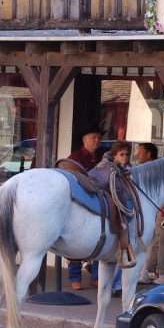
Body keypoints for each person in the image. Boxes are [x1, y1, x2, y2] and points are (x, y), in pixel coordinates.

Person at [66, 122, 103, 290]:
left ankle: (96, 276)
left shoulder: (102, 158)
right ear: (85, 140)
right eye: (94, 138)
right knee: (75, 240)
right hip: (80, 202)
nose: (97, 141)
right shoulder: (74, 159)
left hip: (97, 202)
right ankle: (75, 277)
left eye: (99, 138)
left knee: (100, 237)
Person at [134, 143, 164, 285]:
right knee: (154, 239)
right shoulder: (141, 170)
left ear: (148, 154)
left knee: (162, 237)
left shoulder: (160, 170)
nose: (137, 155)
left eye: (140, 152)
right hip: (157, 211)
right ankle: (146, 271)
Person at [109, 140, 132, 297]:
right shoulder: (112, 171)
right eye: (121, 154)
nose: (125, 157)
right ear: (115, 156)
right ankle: (113, 284)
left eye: (126, 154)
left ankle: (116, 284)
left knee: (123, 250)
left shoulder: (129, 171)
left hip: (127, 215)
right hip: (115, 214)